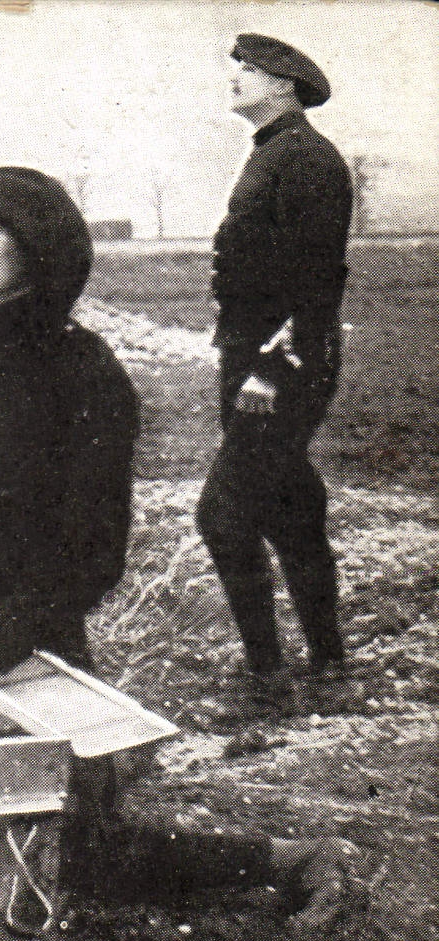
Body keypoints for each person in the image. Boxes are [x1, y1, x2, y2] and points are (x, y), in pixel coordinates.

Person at [0, 166, 352, 933]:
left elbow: (92, 558)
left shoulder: (86, 375)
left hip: (33, 655)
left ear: (37, 254)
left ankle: (291, 858)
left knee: (83, 859)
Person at [196, 33, 354, 716]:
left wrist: (269, 371)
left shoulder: (306, 160)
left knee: (224, 514)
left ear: (286, 83)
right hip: (258, 361)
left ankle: (267, 679)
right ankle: (328, 665)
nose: (235, 77)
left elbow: (316, 285)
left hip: (281, 367)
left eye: (250, 69)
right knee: (290, 507)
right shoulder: (275, 154)